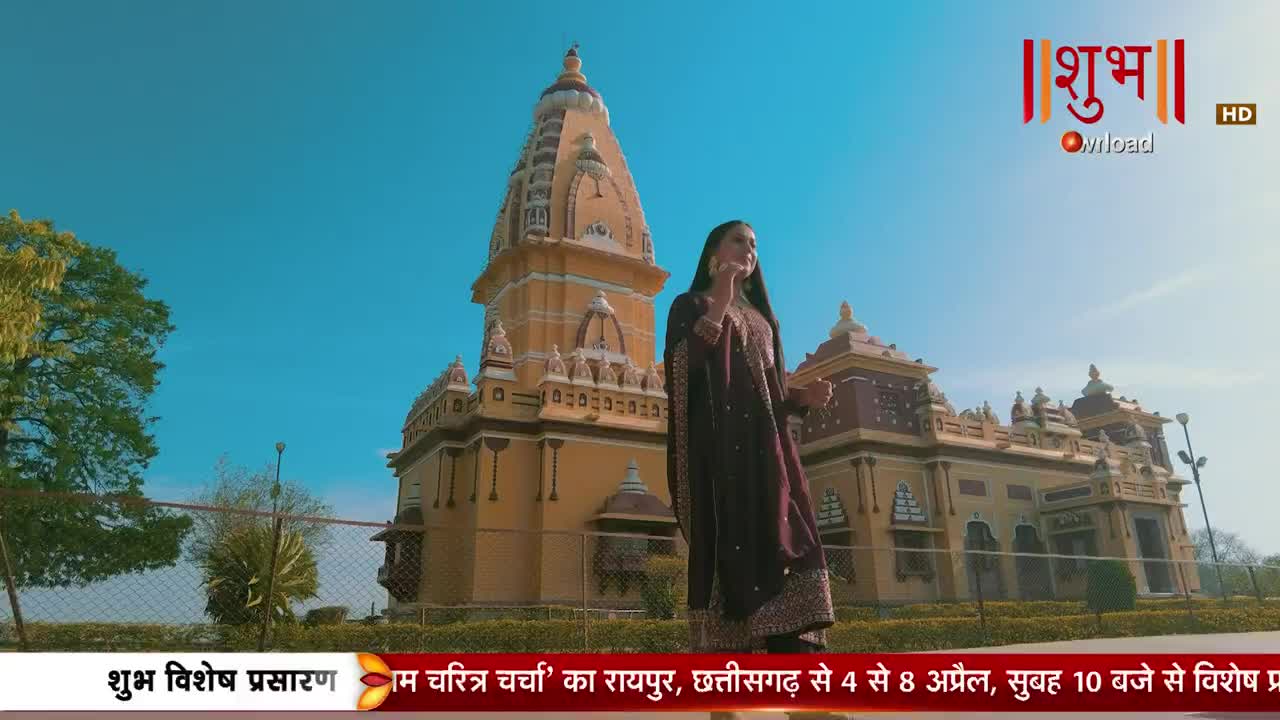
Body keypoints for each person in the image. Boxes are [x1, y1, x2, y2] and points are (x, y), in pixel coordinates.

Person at [664, 220, 836, 657]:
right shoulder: (690, 304)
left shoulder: (764, 320)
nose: (749, 249)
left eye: (755, 244)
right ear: (713, 253)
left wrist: (803, 397)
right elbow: (683, 369)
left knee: (787, 531)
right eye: (738, 240)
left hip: (770, 452)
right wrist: (722, 296)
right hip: (722, 454)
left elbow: (772, 388)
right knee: (733, 532)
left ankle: (795, 653)